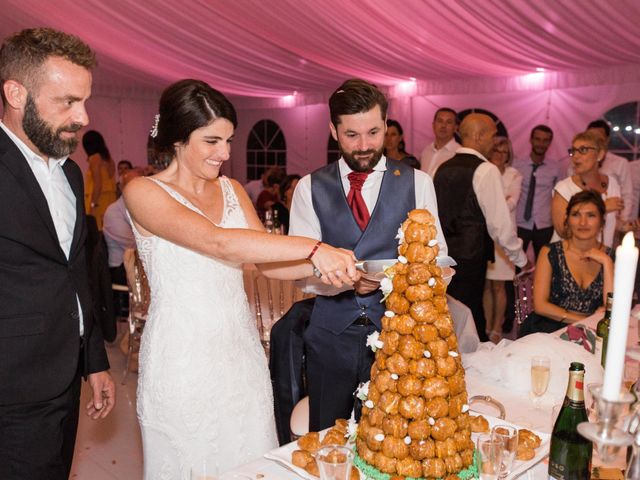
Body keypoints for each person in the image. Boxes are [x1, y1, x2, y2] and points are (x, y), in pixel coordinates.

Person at [123, 79, 357, 478]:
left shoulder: (232, 190)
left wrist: (331, 269)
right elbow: (219, 244)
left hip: (239, 354)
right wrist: (315, 248)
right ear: (178, 139)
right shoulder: (142, 191)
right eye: (212, 141)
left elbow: (265, 262)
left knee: (249, 461)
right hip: (181, 358)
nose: (225, 153)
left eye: (229, 140)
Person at [289, 78, 447, 431]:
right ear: (333, 130)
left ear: (387, 126)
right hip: (330, 337)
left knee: (392, 439)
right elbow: (299, 272)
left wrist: (388, 280)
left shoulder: (418, 183)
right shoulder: (308, 188)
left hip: (399, 338)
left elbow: (437, 263)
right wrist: (339, 282)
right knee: (329, 438)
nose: (364, 146)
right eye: (351, 135)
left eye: (374, 133)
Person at [0, 27, 115, 480]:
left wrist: (94, 362)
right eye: (67, 101)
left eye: (84, 100)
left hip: (63, 382)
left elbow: (74, 276)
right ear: (15, 93)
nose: (83, 116)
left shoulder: (70, 174)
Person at [434, 113, 531, 342]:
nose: (494, 141)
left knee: (448, 317)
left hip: (443, 258)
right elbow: (500, 226)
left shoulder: (442, 168)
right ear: (478, 136)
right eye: (492, 135)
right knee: (470, 318)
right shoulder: (486, 170)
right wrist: (521, 259)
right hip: (470, 258)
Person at [519, 191, 613, 336]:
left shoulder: (611, 257)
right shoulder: (550, 252)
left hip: (592, 334)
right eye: (576, 214)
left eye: (591, 215)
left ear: (602, 221)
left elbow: (612, 310)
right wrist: (586, 320)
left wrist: (606, 262)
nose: (583, 222)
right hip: (548, 330)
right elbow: (540, 306)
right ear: (567, 219)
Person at [551, 131, 623, 248]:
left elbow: (610, 223)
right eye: (573, 151)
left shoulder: (612, 184)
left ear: (600, 155)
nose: (575, 156)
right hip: (569, 259)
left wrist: (624, 227)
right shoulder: (564, 188)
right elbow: (563, 232)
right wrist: (602, 208)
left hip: (602, 258)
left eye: (583, 150)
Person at [483, 137, 522, 342]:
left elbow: (511, 203)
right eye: (496, 150)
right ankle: (487, 325)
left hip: (505, 236)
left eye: (504, 152)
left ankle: (498, 327)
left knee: (499, 286)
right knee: (487, 285)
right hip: (486, 235)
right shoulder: (483, 171)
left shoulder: (514, 175)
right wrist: (499, 202)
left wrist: (494, 204)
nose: (500, 155)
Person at [513, 124, 562, 259]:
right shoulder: (517, 165)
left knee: (544, 263)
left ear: (550, 143)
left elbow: (559, 196)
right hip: (520, 222)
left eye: (545, 140)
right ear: (531, 140)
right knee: (515, 264)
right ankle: (515, 282)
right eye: (537, 139)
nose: (541, 143)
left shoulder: (555, 168)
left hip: (544, 224)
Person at [83, 130, 117, 229]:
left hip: (99, 200)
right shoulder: (109, 159)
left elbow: (98, 184)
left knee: (97, 230)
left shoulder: (94, 158)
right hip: (109, 199)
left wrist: (93, 205)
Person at [420, 107, 460, 177]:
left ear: (455, 128)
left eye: (449, 122)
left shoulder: (458, 153)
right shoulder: (426, 151)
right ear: (433, 125)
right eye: (440, 121)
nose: (443, 126)